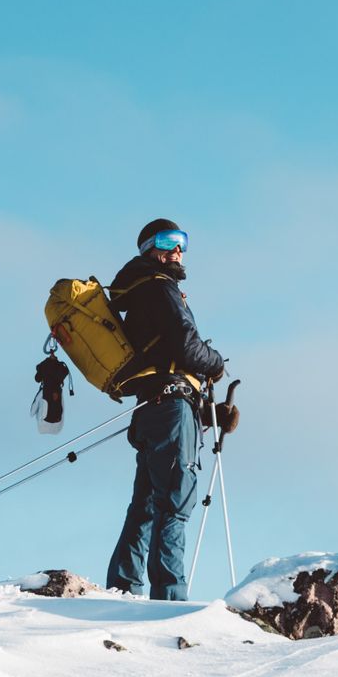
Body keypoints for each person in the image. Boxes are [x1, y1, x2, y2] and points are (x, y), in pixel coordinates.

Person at [104, 219, 225, 600]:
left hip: (152, 409)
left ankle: (123, 590)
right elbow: (186, 346)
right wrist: (217, 363)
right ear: (147, 248)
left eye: (182, 242)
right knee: (174, 501)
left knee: (146, 504)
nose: (177, 249)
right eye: (167, 241)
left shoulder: (140, 290)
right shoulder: (160, 287)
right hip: (172, 408)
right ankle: (169, 600)